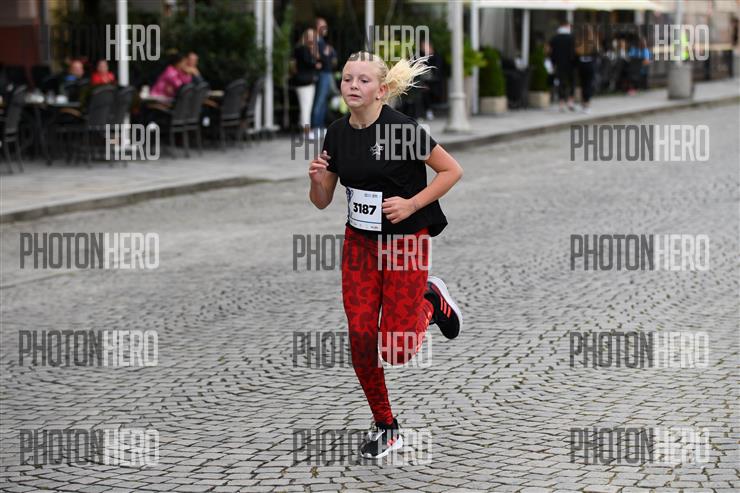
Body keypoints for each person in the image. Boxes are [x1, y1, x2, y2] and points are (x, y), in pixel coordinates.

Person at [308, 51, 464, 460]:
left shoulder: (403, 129)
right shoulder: (336, 133)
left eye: (362, 80)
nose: (352, 86)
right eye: (347, 79)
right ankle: (386, 425)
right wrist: (317, 181)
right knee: (361, 337)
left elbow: (451, 170)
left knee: (397, 349)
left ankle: (431, 300)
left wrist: (412, 204)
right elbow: (322, 201)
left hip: (405, 243)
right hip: (359, 246)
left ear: (381, 90)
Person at [310, 17, 337, 136]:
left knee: (324, 100)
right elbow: (323, 57)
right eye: (323, 25)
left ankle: (320, 126)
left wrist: (328, 54)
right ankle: (315, 126)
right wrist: (327, 55)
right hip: (322, 74)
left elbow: (332, 56)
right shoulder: (315, 41)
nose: (325, 28)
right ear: (317, 26)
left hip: (326, 73)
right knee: (319, 100)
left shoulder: (321, 41)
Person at [293, 28, 319, 138]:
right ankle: (306, 132)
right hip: (305, 82)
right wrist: (316, 62)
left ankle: (304, 130)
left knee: (305, 107)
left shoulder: (299, 48)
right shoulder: (304, 49)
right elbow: (311, 62)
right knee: (306, 108)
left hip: (302, 81)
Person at [549, 20, 576, 111]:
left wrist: (553, 63)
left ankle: (561, 103)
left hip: (559, 64)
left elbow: (551, 52)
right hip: (571, 64)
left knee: (561, 83)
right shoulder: (571, 38)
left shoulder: (555, 38)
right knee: (571, 82)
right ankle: (570, 102)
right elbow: (574, 52)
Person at [577, 34, 597, 114]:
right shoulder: (592, 45)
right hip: (589, 65)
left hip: (582, 65)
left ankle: (583, 103)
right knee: (588, 85)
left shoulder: (579, 46)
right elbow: (596, 55)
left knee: (583, 85)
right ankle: (587, 104)